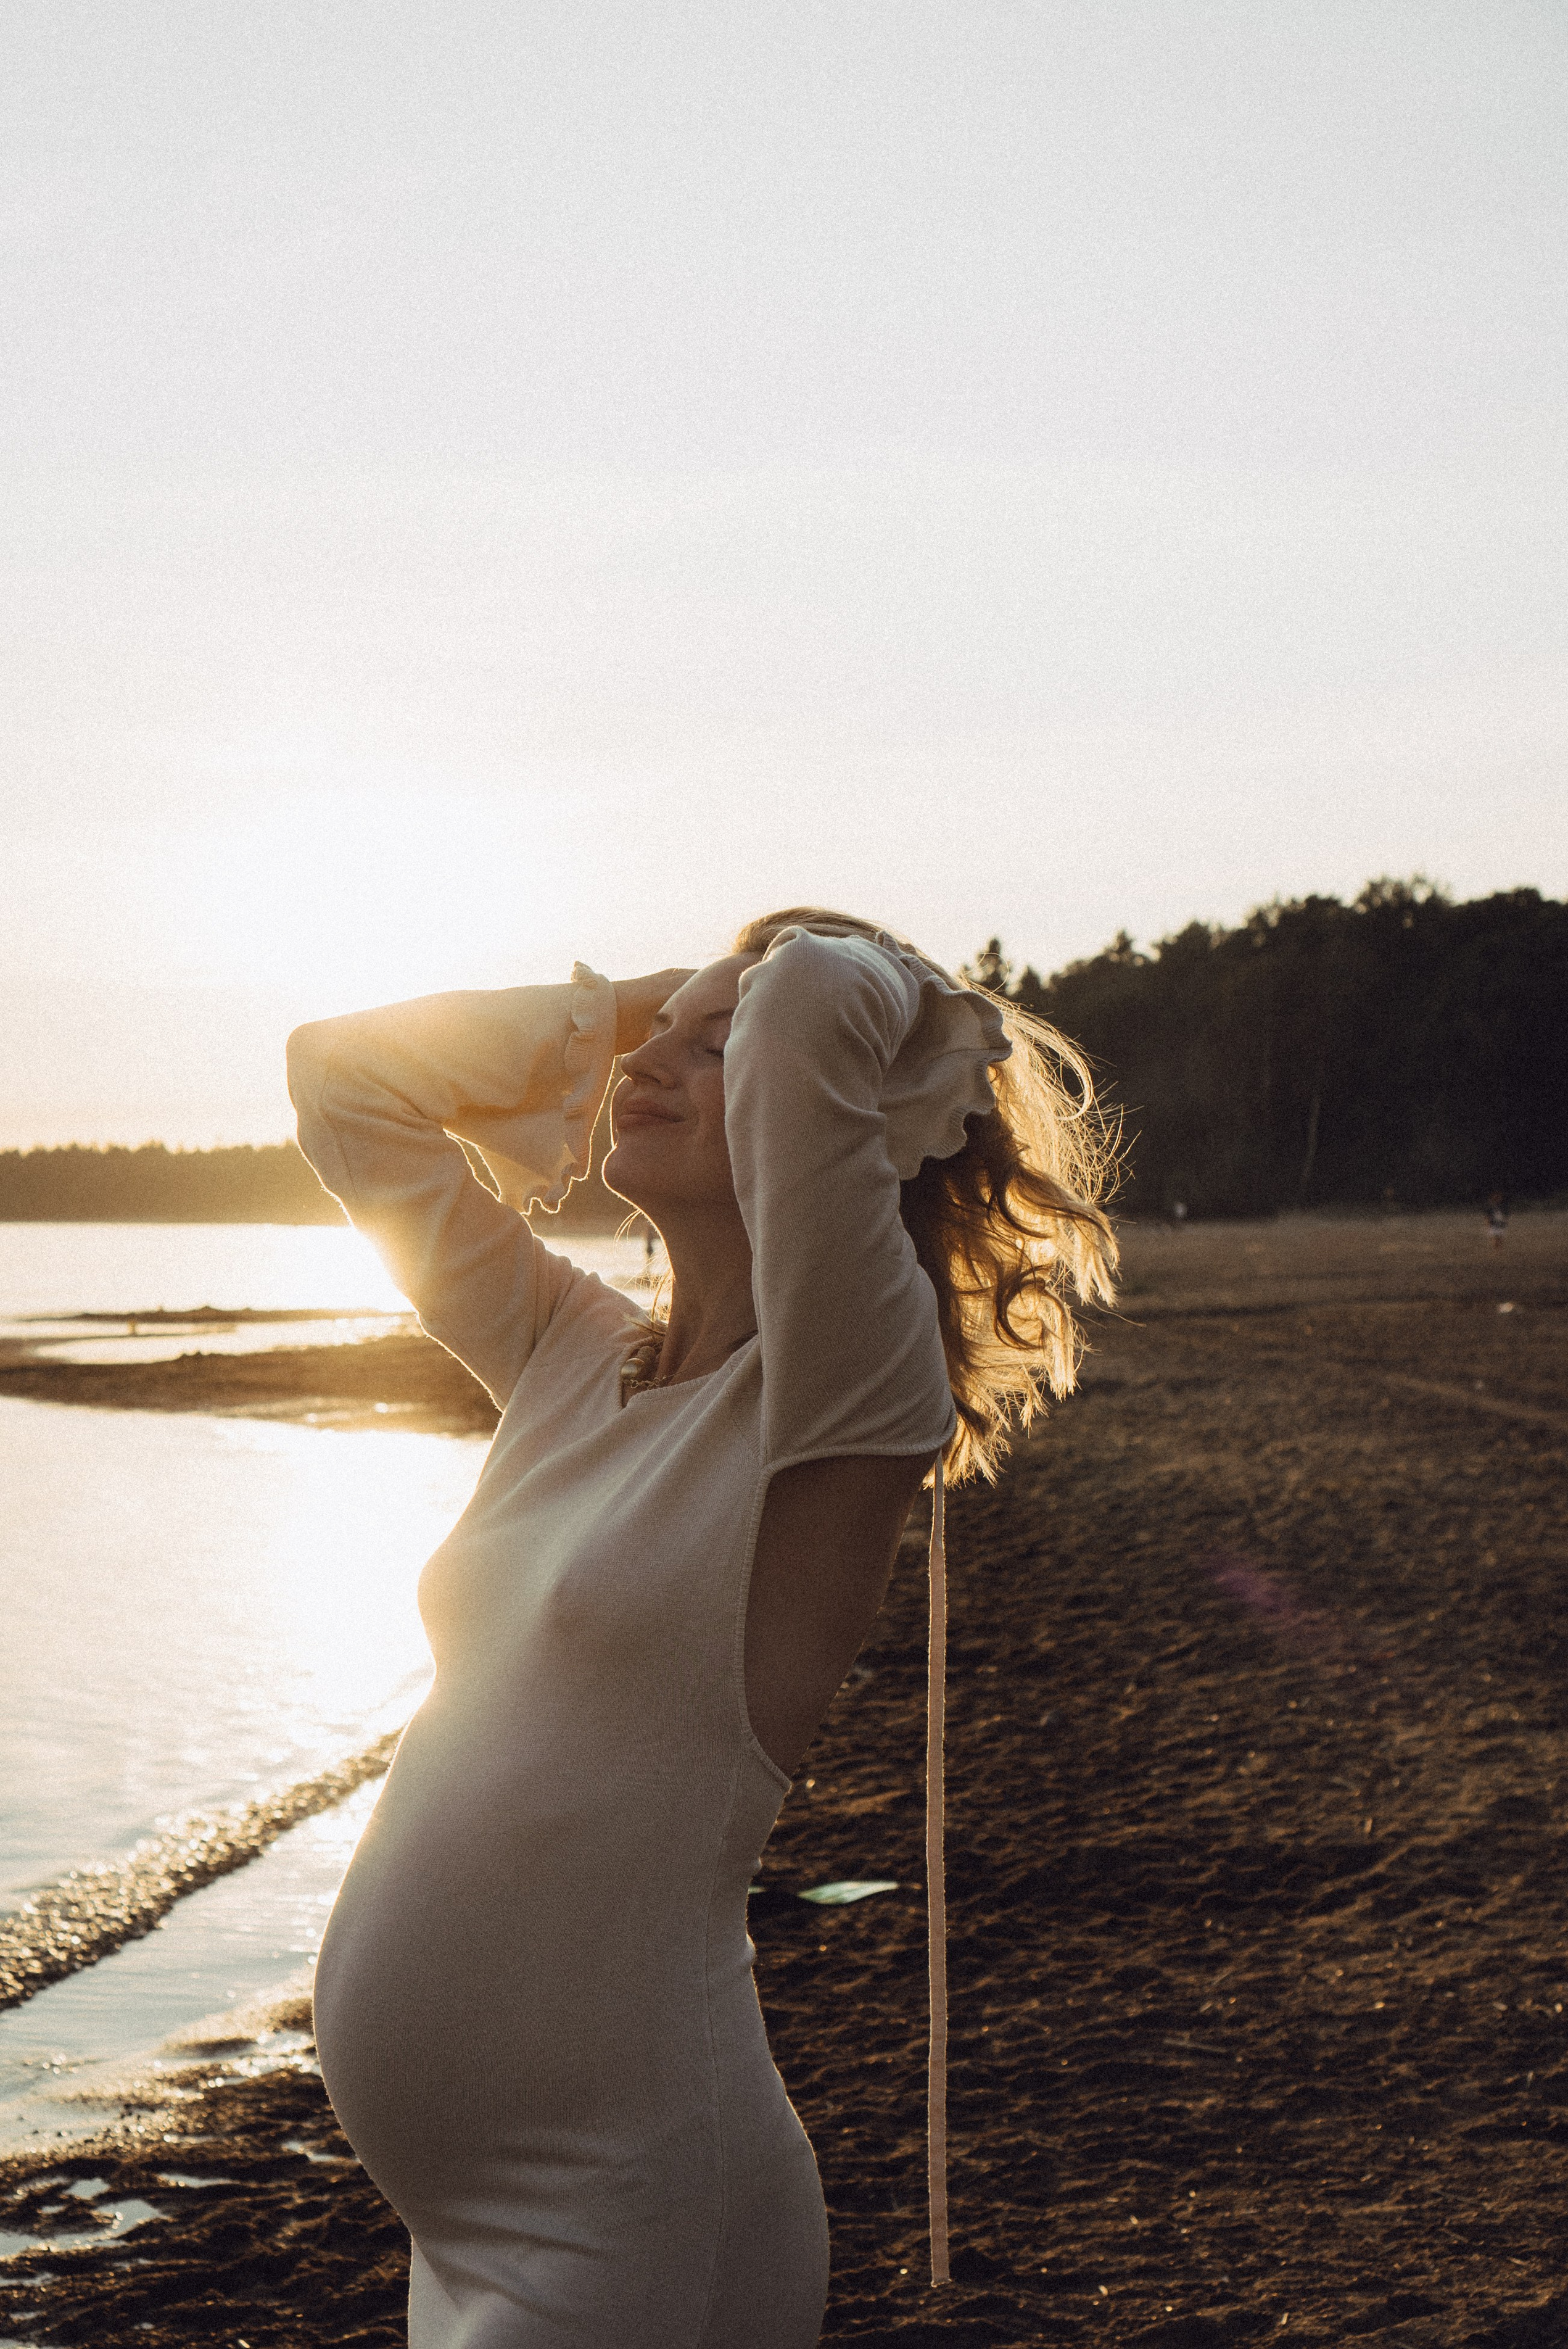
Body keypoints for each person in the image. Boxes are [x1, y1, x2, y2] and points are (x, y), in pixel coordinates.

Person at [286, 905, 1116, 2348]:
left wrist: (775, 977)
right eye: (650, 1042)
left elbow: (810, 1005)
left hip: (622, 2207)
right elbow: (339, 1081)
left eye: (713, 1045)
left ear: (825, 1103)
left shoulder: (846, 1393)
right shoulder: (568, 1350)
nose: (643, 1064)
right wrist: (640, 1008)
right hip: (459, 2225)